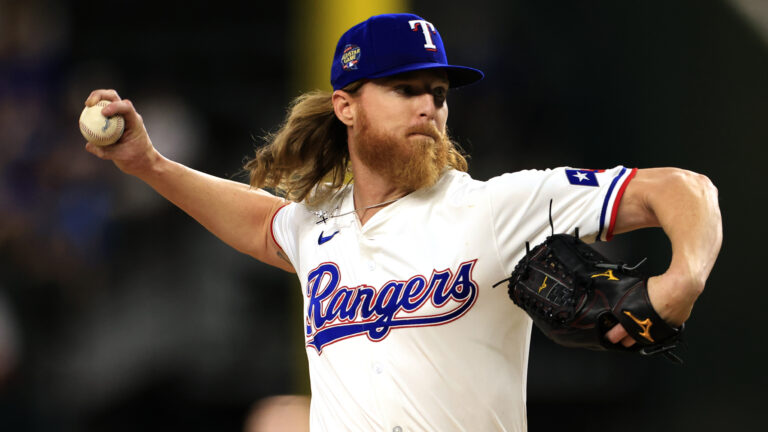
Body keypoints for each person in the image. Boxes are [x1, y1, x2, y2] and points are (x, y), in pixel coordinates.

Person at [83, 13, 722, 432]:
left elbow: (684, 189)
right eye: (406, 88)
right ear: (347, 106)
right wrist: (149, 164)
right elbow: (258, 223)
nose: (429, 106)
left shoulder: (497, 207)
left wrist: (683, 280)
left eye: (439, 93)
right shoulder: (318, 227)